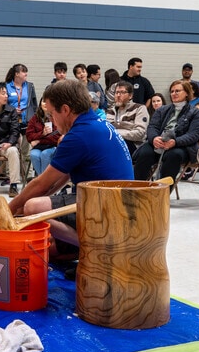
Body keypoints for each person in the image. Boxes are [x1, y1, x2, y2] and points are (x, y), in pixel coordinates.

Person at [8, 79, 133, 259]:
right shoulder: (98, 123)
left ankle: (96, 249)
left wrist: (9, 210)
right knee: (44, 251)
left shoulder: (78, 135)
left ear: (65, 110)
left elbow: (41, 183)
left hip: (106, 208)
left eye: (51, 114)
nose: (52, 120)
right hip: (115, 206)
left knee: (32, 208)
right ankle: (83, 247)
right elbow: (62, 175)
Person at [132, 80, 199, 182]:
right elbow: (152, 127)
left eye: (177, 91)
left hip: (182, 146)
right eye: (172, 91)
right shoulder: (162, 110)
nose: (174, 94)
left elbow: (194, 134)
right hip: (159, 143)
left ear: (187, 93)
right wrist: (154, 138)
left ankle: (163, 191)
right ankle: (138, 187)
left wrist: (175, 142)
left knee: (173, 155)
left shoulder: (195, 112)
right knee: (145, 153)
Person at [105, 81, 149, 155]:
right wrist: (128, 128)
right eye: (116, 92)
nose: (118, 95)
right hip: (113, 142)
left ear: (130, 95)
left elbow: (140, 133)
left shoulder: (139, 108)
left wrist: (116, 133)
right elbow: (107, 130)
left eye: (122, 92)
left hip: (134, 145)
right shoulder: (111, 110)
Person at [26, 98, 60, 176]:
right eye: (43, 101)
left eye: (47, 102)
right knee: (34, 155)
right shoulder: (34, 118)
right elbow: (29, 136)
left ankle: (42, 182)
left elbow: (57, 136)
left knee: (45, 154)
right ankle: (44, 181)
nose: (45, 103)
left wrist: (39, 140)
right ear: (40, 103)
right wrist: (42, 134)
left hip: (53, 146)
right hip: (38, 147)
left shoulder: (56, 117)